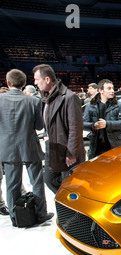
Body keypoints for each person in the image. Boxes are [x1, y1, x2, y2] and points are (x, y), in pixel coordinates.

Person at [0, 69, 53, 225]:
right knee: (36, 181)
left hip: (7, 148)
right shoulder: (34, 101)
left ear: (8, 83)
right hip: (29, 146)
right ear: (24, 84)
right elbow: (38, 126)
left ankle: (15, 217)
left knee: (12, 184)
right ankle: (41, 214)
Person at [33, 64, 85, 194]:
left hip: (67, 150)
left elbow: (76, 128)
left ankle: (70, 209)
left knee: (69, 184)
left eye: (37, 79)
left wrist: (71, 152)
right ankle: (65, 203)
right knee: (50, 180)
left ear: (47, 79)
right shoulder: (46, 98)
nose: (35, 83)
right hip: (53, 147)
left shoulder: (69, 97)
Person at [83, 79, 121, 160]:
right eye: (109, 88)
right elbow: (83, 123)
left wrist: (106, 124)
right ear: (100, 90)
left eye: (113, 88)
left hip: (115, 145)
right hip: (97, 146)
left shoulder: (119, 105)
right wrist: (93, 125)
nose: (112, 91)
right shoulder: (90, 105)